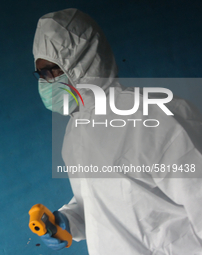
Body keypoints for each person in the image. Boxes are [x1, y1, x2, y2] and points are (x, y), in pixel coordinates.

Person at [32, 8, 202, 255]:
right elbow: (97, 204)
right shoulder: (74, 133)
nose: (45, 82)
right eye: (41, 74)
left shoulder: (153, 116)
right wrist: (68, 221)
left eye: (51, 71)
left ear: (82, 62)